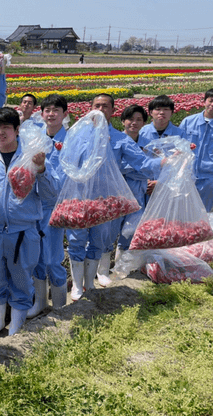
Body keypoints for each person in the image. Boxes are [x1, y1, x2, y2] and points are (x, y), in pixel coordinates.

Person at [66, 94, 160, 299]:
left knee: (99, 241)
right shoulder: (77, 136)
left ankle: (90, 283)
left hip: (105, 201)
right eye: (96, 105)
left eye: (105, 106)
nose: (100, 109)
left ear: (112, 111)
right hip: (79, 199)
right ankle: (77, 285)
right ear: (89, 109)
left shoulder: (120, 139)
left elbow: (142, 163)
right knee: (76, 241)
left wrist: (162, 163)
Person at [0, 108, 57, 339]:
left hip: (22, 231)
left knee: (21, 278)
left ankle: (16, 324)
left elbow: (51, 194)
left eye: (6, 128)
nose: (0, 132)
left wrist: (41, 170)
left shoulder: (33, 157)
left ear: (16, 130)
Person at [30, 94, 69, 316]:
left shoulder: (71, 140)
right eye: (47, 110)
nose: (51, 114)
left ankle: (60, 306)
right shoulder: (36, 140)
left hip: (56, 206)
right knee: (35, 257)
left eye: (56, 110)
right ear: (42, 114)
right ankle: (41, 302)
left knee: (53, 258)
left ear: (65, 114)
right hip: (34, 206)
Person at [116, 105, 150, 256]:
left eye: (139, 120)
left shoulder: (149, 144)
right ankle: (103, 264)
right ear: (123, 121)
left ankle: (122, 261)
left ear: (144, 123)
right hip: (116, 188)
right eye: (130, 119)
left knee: (131, 227)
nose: (134, 123)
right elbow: (115, 167)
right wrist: (136, 168)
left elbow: (152, 168)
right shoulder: (115, 142)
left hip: (138, 190)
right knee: (112, 225)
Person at [139, 94, 187, 199]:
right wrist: (145, 180)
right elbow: (137, 159)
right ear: (151, 112)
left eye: (166, 109)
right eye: (158, 109)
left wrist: (161, 182)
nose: (162, 112)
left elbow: (183, 162)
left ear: (172, 112)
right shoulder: (142, 132)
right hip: (146, 184)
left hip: (170, 184)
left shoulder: (179, 134)